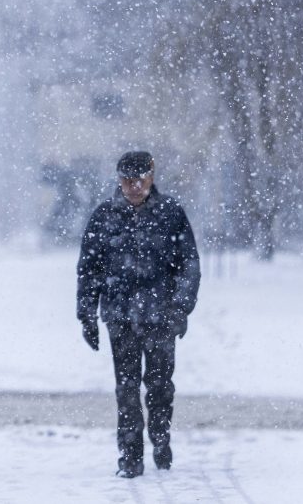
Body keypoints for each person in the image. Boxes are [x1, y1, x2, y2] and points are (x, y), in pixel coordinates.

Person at [76, 151, 201, 478]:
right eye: (127, 180)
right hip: (120, 316)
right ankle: (130, 456)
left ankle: (160, 439)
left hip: (160, 316)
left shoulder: (170, 213)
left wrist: (180, 306)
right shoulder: (104, 216)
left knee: (160, 386)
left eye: (140, 179)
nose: (134, 186)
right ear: (118, 179)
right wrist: (86, 314)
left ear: (152, 176)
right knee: (127, 390)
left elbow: (189, 264)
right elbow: (89, 270)